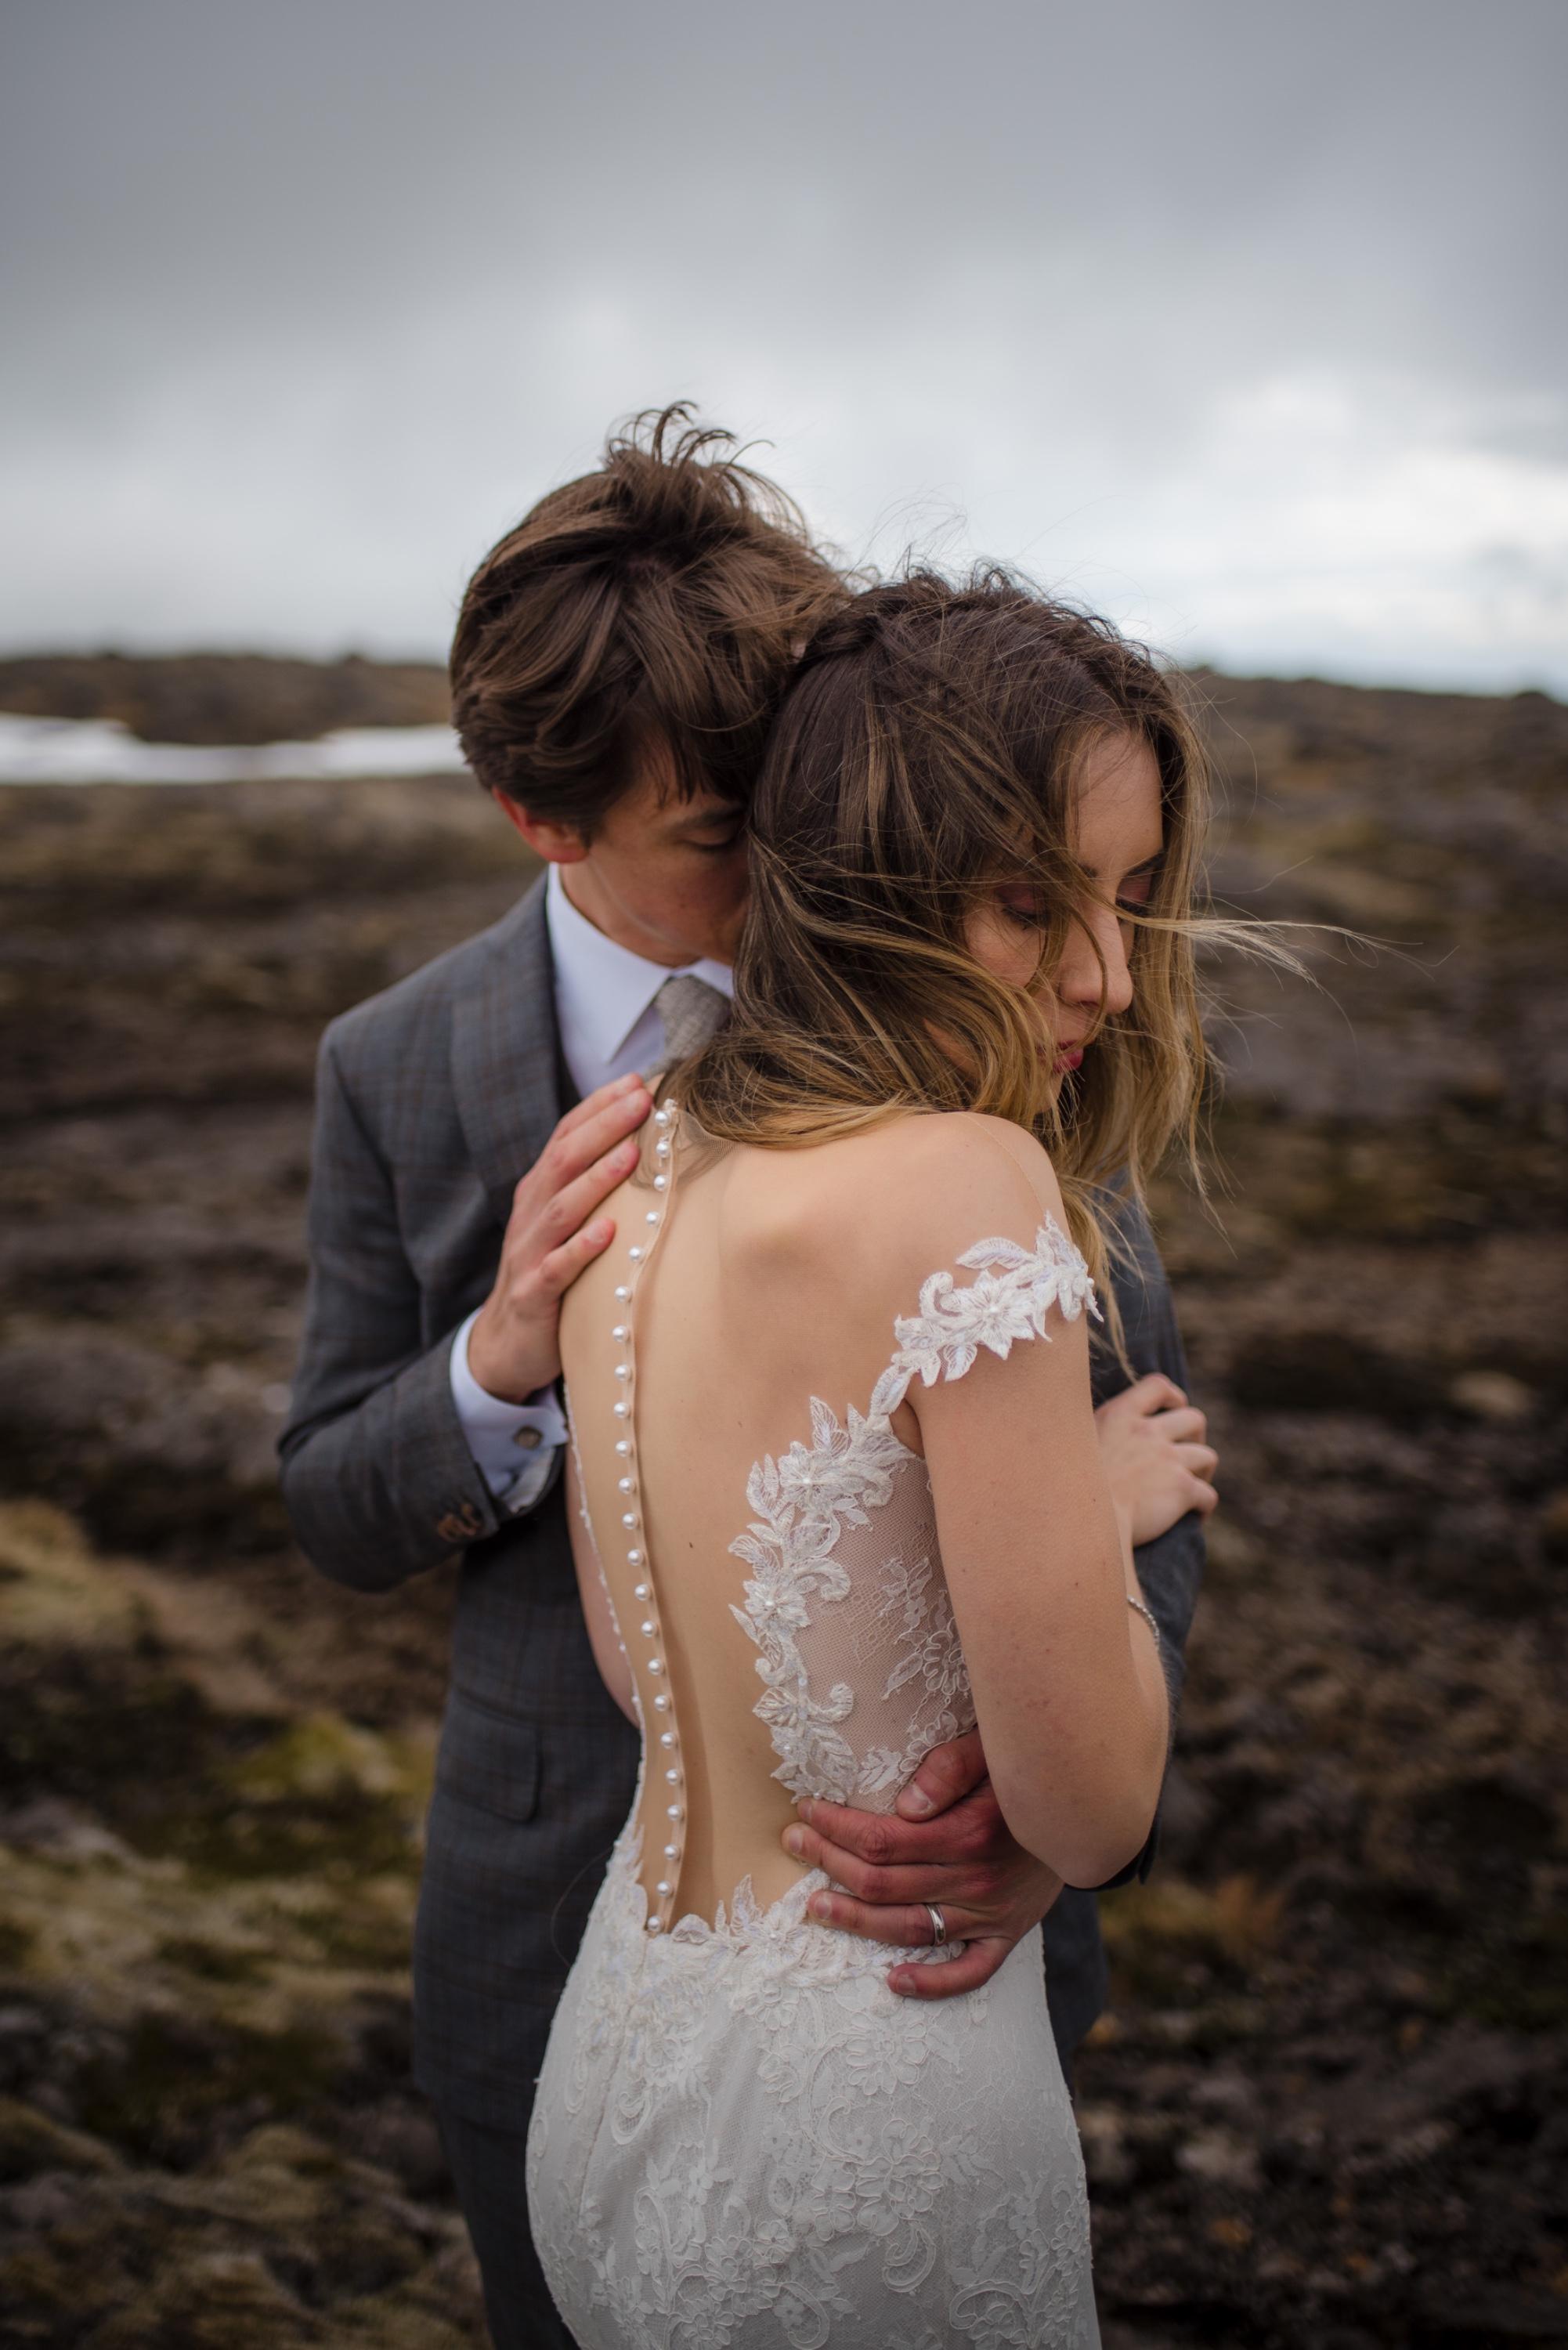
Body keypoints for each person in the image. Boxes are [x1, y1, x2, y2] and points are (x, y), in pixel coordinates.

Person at [278, 418, 1208, 2350]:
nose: (800, 865)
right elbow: (324, 1496)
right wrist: (495, 1364)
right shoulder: (399, 1063)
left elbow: (1129, 1418)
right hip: (571, 1929)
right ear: (550, 818)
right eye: (724, 831)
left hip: (931, 1946)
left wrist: (1040, 1806)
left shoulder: (981, 1002)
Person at [528, 570, 1219, 2347]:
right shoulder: (964, 1182)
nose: (1101, 975)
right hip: (870, 2130)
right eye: (1024, 903)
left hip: (618, 2073)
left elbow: (657, 1668)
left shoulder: (640, 1161)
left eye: (1129, 901)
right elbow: (1087, 1808)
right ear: (862, 880)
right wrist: (1090, 1500)